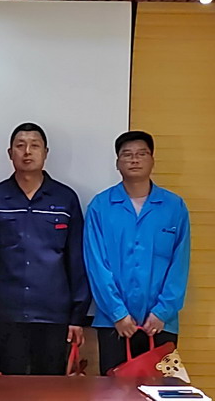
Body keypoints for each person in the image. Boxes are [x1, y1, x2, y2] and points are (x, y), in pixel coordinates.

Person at [0, 122, 91, 375]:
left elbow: (77, 260)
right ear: (10, 153)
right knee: (6, 388)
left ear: (46, 153)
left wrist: (77, 316)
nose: (27, 151)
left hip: (54, 314)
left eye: (34, 146)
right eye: (20, 145)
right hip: (5, 313)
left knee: (50, 389)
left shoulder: (65, 198)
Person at [84, 130, 190, 375]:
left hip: (161, 323)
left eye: (141, 154)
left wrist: (162, 312)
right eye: (127, 154)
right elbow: (96, 264)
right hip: (114, 323)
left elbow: (180, 264)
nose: (134, 159)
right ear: (117, 163)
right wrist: (118, 314)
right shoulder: (101, 206)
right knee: (113, 389)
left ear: (152, 160)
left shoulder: (174, 207)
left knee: (160, 389)